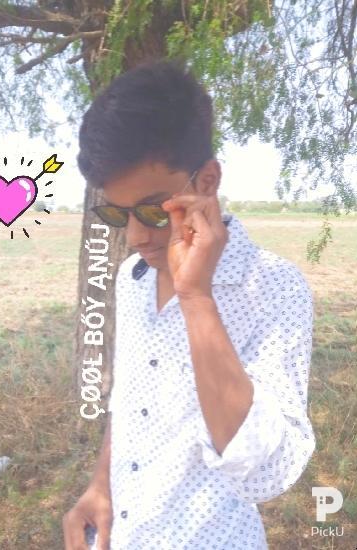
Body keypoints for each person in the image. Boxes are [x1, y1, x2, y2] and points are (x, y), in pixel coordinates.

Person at [62, 58, 316, 550]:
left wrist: (196, 297)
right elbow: (130, 398)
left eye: (155, 211)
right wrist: (101, 484)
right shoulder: (132, 279)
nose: (136, 237)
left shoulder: (275, 287)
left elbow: (269, 472)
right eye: (117, 213)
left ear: (207, 181)